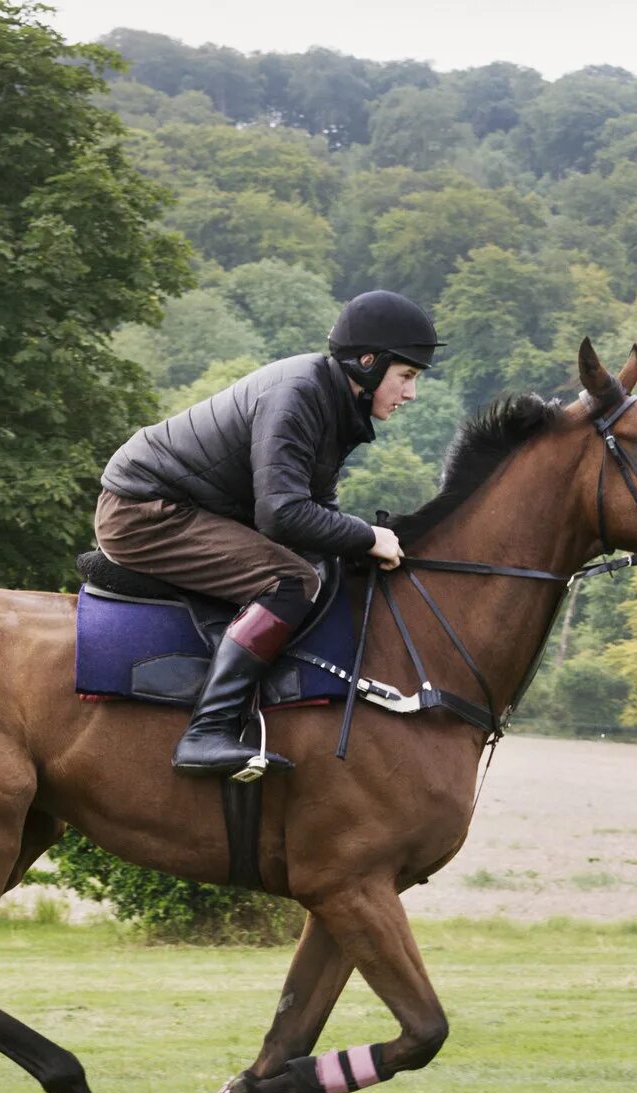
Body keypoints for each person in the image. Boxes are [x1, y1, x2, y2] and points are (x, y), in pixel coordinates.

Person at [95, 290, 443, 778]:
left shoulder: (334, 402)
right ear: (369, 362)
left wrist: (356, 546)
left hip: (189, 506)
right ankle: (205, 734)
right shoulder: (299, 394)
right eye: (406, 376)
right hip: (143, 511)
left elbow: (317, 505)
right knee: (291, 581)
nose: (411, 393)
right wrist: (366, 537)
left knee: (322, 568)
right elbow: (282, 516)